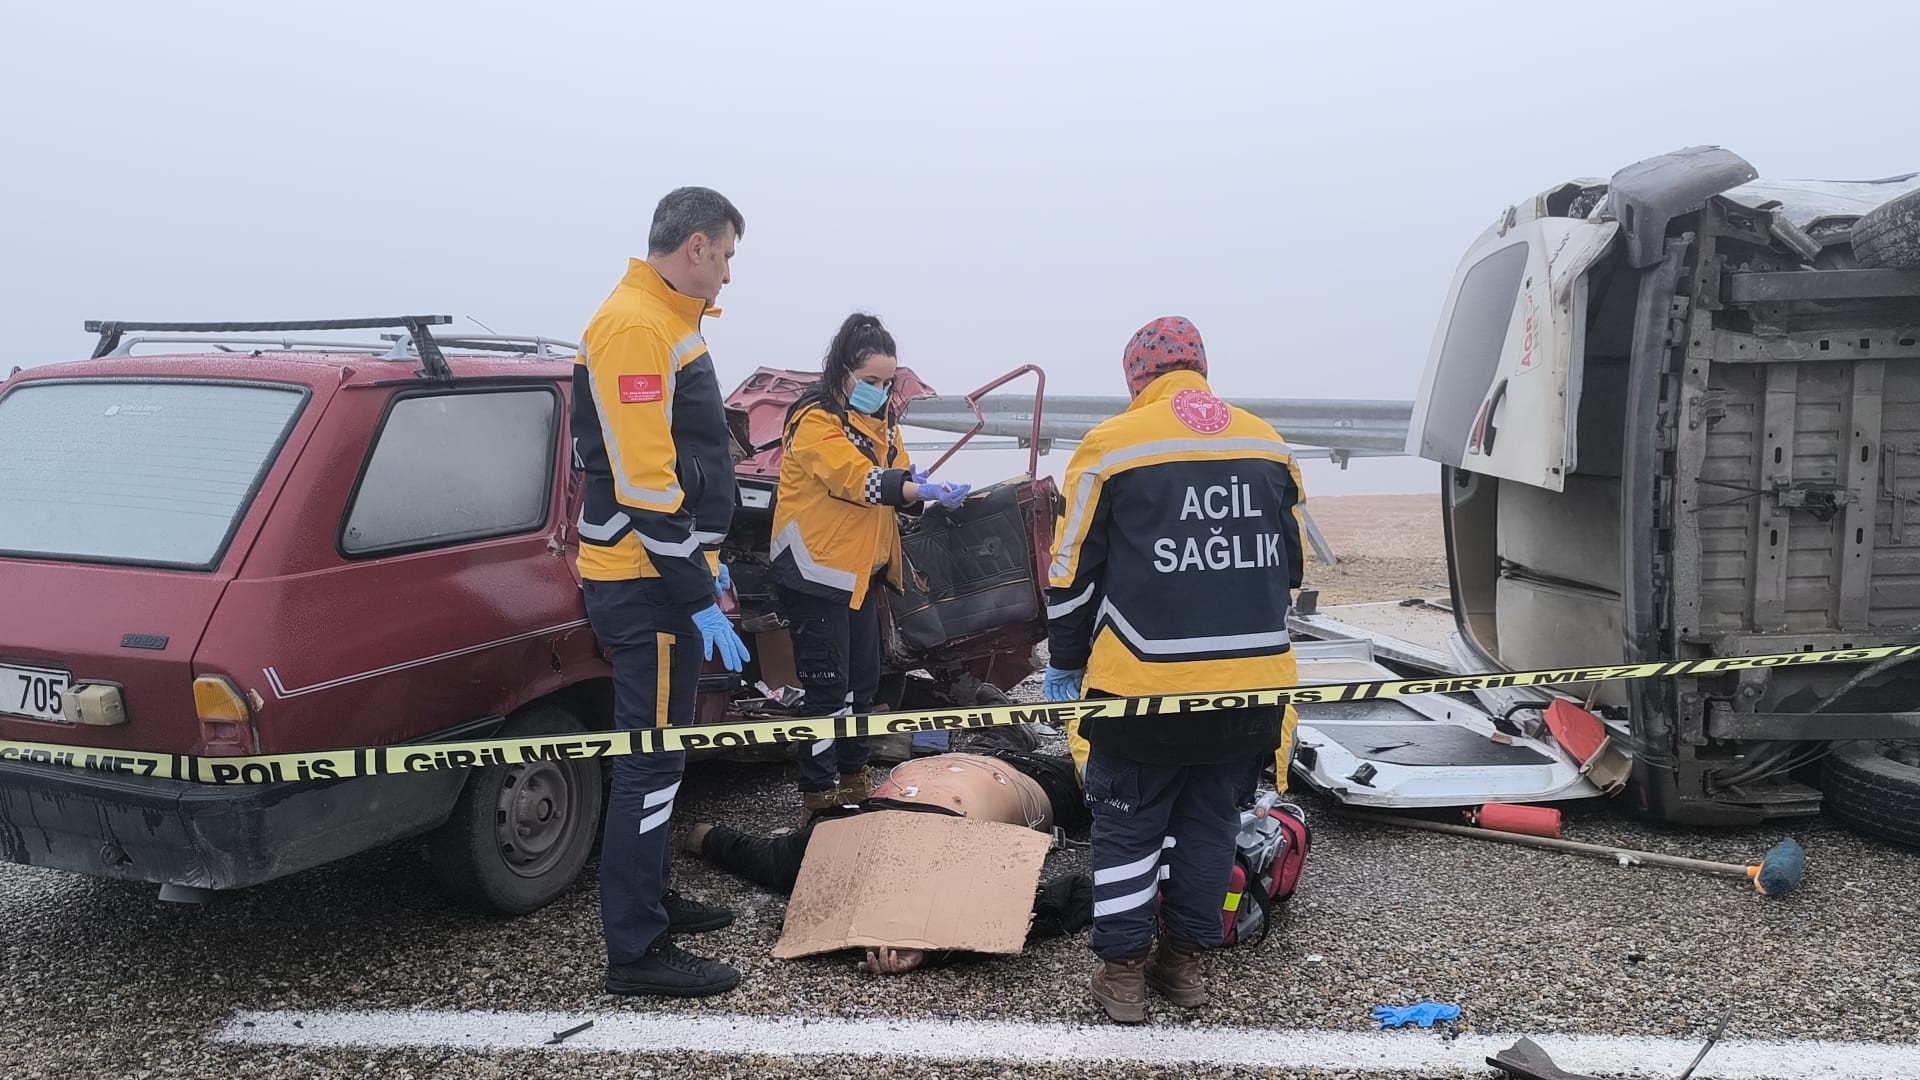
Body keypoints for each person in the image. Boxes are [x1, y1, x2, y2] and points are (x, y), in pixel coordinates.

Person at [1042, 316, 1306, 1023]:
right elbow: (1292, 567)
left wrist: (1065, 660)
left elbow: (1069, 571)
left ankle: (1123, 974)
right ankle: (1181, 966)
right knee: (1211, 829)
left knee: (1127, 830)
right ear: (1202, 367)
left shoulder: (1112, 446)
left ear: (1135, 377)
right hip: (1252, 694)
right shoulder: (1268, 443)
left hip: (1143, 690)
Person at [573, 186, 754, 999]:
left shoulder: (667, 321)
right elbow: (646, 483)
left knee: (665, 754)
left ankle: (652, 898)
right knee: (648, 761)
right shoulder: (636, 326)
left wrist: (702, 572)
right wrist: (694, 596)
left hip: (666, 580)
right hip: (646, 587)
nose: (726, 277)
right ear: (696, 249)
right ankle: (635, 951)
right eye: (726, 258)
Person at [767, 313, 970, 818]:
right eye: (871, 381)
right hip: (814, 571)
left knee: (863, 686)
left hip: (860, 574)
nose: (880, 391)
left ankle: (855, 781)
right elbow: (855, 479)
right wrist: (912, 487)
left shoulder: (880, 423)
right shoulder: (814, 419)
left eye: (887, 382)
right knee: (826, 689)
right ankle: (819, 794)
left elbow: (895, 475)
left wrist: (923, 490)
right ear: (842, 371)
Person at [681, 749, 1092, 973]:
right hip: (1015, 777)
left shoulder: (822, 848)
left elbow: (1061, 899)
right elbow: (1058, 900)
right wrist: (706, 838)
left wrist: (930, 947)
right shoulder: (827, 845)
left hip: (1017, 776)